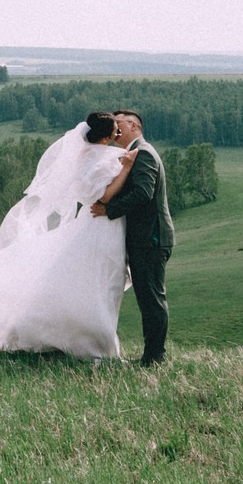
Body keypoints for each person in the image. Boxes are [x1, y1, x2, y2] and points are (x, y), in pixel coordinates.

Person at [0, 111, 132, 358]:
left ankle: (99, 341)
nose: (118, 133)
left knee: (104, 283)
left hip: (104, 224)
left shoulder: (92, 153)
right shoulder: (94, 158)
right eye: (114, 129)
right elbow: (103, 196)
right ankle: (98, 343)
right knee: (101, 284)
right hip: (101, 227)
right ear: (104, 137)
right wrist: (125, 170)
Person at [92, 110, 173, 365]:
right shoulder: (131, 154)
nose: (115, 129)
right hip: (143, 239)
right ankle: (152, 355)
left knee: (152, 298)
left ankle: (155, 357)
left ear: (134, 126)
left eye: (119, 123)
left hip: (152, 238)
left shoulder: (145, 153)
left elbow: (143, 193)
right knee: (147, 298)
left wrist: (109, 210)